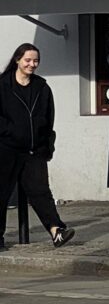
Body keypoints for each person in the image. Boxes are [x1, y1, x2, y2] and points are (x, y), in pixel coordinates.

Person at [0, 44, 73, 248]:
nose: (32, 64)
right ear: (17, 60)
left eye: (36, 61)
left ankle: (56, 230)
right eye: (28, 60)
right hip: (6, 148)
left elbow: (48, 118)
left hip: (34, 150)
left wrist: (46, 145)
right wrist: (10, 132)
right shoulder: (3, 85)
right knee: (2, 193)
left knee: (40, 191)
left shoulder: (41, 87)